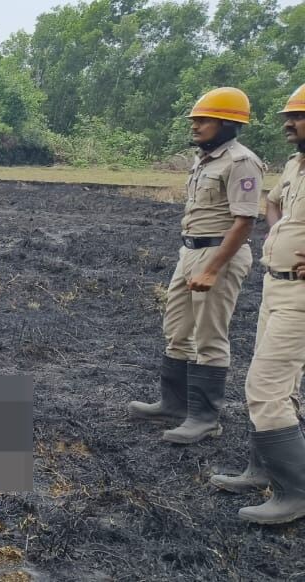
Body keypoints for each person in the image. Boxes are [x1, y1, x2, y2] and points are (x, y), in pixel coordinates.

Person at [128, 87, 266, 445]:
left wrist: (212, 268)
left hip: (219, 254)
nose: (196, 125)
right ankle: (174, 404)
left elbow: (244, 221)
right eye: (195, 119)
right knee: (177, 329)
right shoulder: (204, 159)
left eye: (203, 120)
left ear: (227, 123)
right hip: (190, 251)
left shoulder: (241, 162)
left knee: (209, 336)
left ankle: (206, 418)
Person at [209, 84, 305, 524]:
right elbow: (271, 202)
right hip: (275, 286)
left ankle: (296, 492)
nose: (288, 122)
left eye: (298, 116)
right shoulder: (296, 163)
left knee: (264, 388)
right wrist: (280, 231)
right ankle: (261, 469)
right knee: (273, 384)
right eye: (290, 115)